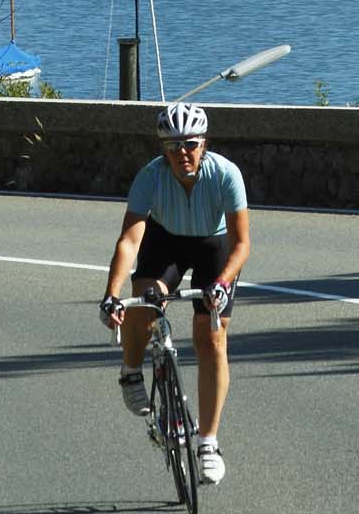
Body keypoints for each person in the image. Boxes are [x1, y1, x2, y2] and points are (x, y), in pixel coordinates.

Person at [99, 99, 250, 487]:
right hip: (165, 242)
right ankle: (131, 372)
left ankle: (208, 443)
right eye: (173, 146)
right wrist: (111, 293)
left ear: (204, 144)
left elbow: (241, 244)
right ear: (163, 149)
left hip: (214, 246)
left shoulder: (226, 175)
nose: (182, 153)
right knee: (144, 301)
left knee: (212, 339)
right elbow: (130, 241)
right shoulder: (150, 177)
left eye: (190, 144)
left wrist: (221, 284)